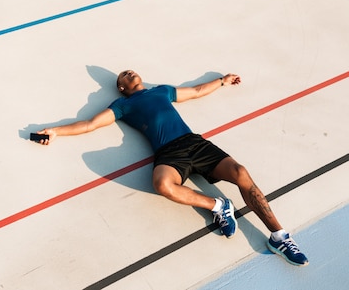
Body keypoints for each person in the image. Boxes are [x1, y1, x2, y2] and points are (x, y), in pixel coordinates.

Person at [35, 70, 308, 266]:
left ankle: (279, 236)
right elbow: (90, 124)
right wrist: (56, 132)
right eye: (123, 76)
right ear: (121, 88)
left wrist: (222, 81)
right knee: (162, 184)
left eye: (130, 71)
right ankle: (217, 206)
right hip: (169, 154)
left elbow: (197, 91)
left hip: (194, 144)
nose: (128, 73)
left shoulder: (161, 90)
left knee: (241, 173)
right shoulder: (122, 105)